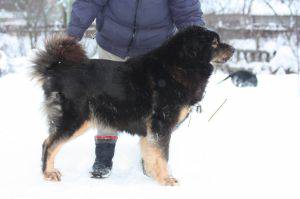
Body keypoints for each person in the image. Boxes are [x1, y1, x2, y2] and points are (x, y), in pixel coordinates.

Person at [67, 0, 205, 179]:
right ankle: (104, 156)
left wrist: (202, 42)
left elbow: (186, 10)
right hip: (112, 44)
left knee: (158, 111)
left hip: (154, 50)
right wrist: (73, 34)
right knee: (105, 100)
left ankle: (150, 156)